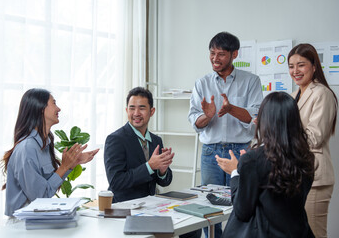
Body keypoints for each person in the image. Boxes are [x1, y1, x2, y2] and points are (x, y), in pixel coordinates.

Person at [188, 31, 263, 238]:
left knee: (241, 203)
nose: (215, 58)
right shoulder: (201, 83)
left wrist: (231, 109)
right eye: (212, 53)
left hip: (240, 152)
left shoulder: (251, 81)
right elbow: (194, 119)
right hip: (211, 152)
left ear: (234, 54)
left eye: (221, 54)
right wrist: (208, 116)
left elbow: (255, 116)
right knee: (207, 205)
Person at [104, 87, 201, 238]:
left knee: (192, 228)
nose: (136, 113)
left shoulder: (156, 140)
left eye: (142, 108)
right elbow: (116, 182)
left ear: (152, 111)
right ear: (126, 110)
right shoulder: (115, 139)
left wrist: (162, 170)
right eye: (132, 108)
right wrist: (150, 166)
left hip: (150, 206)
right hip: (124, 209)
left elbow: (165, 181)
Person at [217, 92, 315, 238]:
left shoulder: (253, 160)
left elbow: (242, 212)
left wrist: (236, 172)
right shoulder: (306, 157)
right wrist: (248, 168)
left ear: (264, 120)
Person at [1, 88, 99, 216]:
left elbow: (48, 188)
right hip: (22, 225)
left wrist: (71, 165)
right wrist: (64, 167)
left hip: (36, 219)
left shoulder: (44, 144)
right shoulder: (27, 148)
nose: (59, 109)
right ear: (40, 108)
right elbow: (39, 197)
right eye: (54, 103)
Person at [288, 43, 338, 238]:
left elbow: (314, 137)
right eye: (291, 66)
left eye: (301, 65)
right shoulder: (293, 96)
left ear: (314, 66)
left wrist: (282, 134)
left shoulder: (322, 93)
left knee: (315, 234)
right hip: (296, 177)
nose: (295, 71)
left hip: (315, 177)